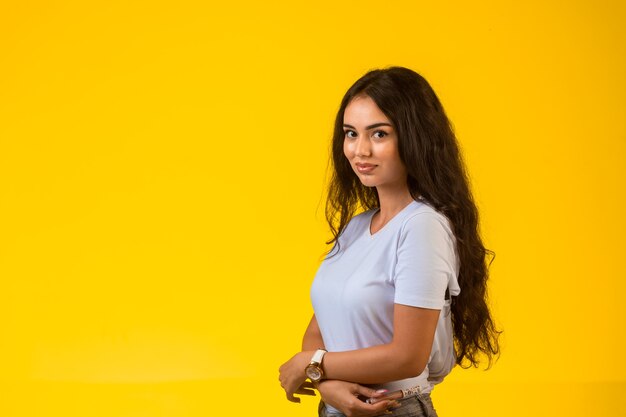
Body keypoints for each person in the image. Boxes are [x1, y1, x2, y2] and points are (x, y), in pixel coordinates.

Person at [279, 66, 500, 417]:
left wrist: (312, 364)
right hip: (335, 408)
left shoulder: (422, 226)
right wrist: (326, 382)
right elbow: (319, 328)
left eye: (379, 134)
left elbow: (407, 355)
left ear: (414, 138)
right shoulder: (356, 228)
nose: (359, 150)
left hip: (392, 409)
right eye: (351, 134)